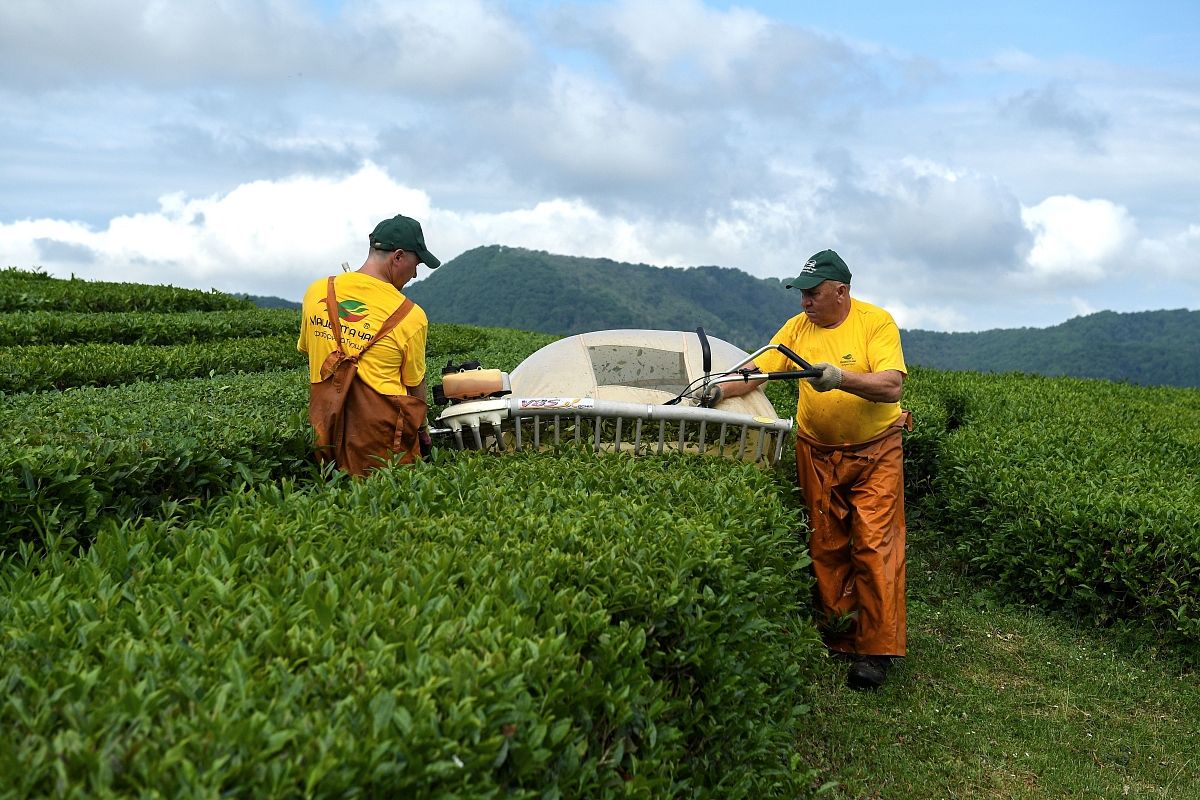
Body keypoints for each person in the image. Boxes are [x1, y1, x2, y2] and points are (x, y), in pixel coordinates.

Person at [714, 249, 910, 690]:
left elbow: (891, 384)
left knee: (874, 544)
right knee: (827, 541)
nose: (805, 302)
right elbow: (758, 370)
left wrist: (841, 378)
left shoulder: (874, 323)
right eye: (802, 294)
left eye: (814, 293)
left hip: (876, 450)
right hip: (817, 450)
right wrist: (713, 391)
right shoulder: (797, 329)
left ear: (840, 291)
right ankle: (841, 635)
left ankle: (875, 652)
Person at [297, 214, 440, 474]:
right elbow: (414, 386)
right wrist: (423, 432)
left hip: (324, 435)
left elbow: (312, 352)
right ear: (397, 257)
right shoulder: (410, 315)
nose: (416, 274)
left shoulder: (317, 292)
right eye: (415, 263)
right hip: (381, 445)